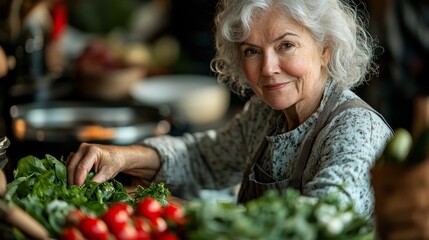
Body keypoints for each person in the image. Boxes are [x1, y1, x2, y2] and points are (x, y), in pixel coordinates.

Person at [67, 0, 393, 219]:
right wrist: (123, 157)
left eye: (286, 45)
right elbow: (205, 159)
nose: (267, 68)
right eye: (252, 51)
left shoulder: (356, 131)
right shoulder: (266, 114)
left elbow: (320, 221)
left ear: (325, 49)